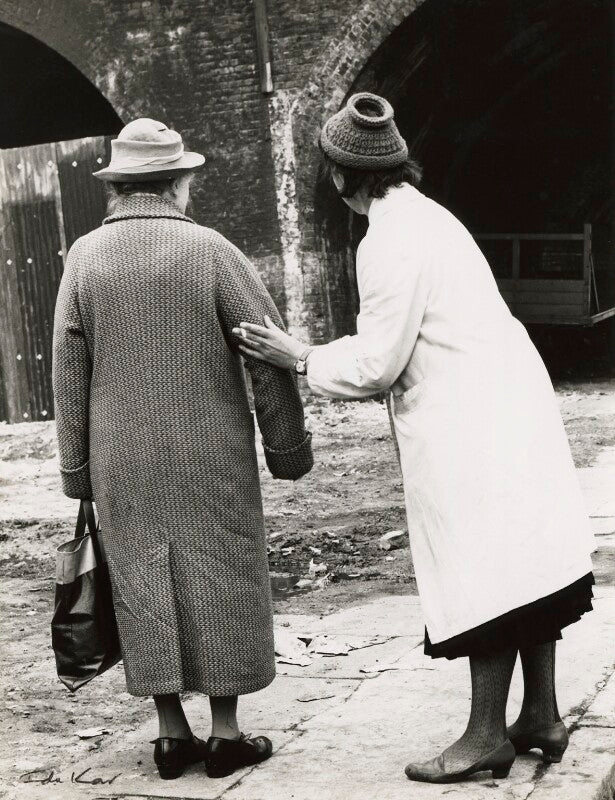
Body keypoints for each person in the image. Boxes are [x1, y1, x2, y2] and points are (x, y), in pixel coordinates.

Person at [233, 93, 596, 784]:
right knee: (528, 560)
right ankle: (540, 716)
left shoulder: (387, 239)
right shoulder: (432, 218)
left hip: (467, 421)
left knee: (483, 570)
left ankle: (484, 736)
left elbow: (377, 364)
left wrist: (299, 355)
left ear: (339, 175)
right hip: (509, 401)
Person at [52, 118, 313, 781]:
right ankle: (225, 733)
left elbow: (67, 372)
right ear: (178, 182)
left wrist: (76, 471)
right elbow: (266, 356)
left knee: (142, 579)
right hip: (211, 450)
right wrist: (288, 451)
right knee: (221, 573)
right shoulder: (213, 251)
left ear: (117, 186)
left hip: (122, 456)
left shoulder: (84, 257)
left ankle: (171, 734)